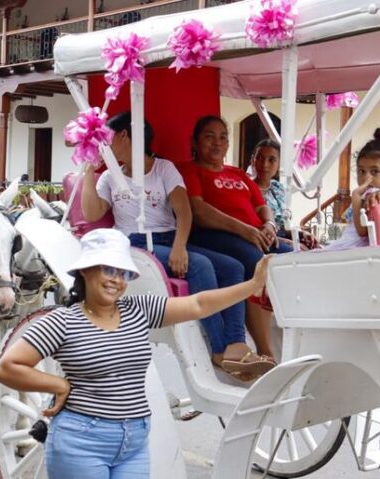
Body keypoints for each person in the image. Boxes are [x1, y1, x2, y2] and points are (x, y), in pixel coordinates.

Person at [0, 228, 271, 478]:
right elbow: (7, 367)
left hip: (133, 442)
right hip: (82, 441)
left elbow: (198, 304)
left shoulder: (139, 309)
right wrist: (59, 385)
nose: (116, 280)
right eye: (108, 270)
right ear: (86, 270)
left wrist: (251, 286)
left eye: (123, 273)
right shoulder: (63, 321)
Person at [81, 112, 273, 378]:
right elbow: (91, 213)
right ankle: (219, 349)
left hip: (171, 237)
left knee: (233, 267)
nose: (105, 145)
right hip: (137, 243)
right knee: (201, 265)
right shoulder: (109, 178)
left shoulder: (163, 169)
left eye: (108, 138)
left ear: (124, 136)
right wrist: (89, 171)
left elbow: (184, 212)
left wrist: (180, 246)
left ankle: (236, 343)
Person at [178, 116, 292, 361]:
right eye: (209, 137)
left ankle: (296, 337)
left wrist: (270, 225)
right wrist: (245, 230)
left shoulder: (237, 173)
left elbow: (261, 207)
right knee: (256, 261)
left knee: (293, 257)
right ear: (195, 142)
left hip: (254, 234)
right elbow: (199, 210)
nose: (217, 142)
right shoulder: (189, 170)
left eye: (223, 137)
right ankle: (265, 350)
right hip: (216, 235)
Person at [326, 128, 380, 250]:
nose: (366, 178)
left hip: (358, 247)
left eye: (374, 172)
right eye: (361, 171)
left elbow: (362, 231)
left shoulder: (373, 196)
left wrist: (356, 196)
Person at [249, 138, 318, 249]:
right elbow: (251, 229)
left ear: (279, 164)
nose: (265, 164)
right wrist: (288, 243)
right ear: (253, 160)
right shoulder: (246, 189)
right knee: (302, 253)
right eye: (260, 158)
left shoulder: (278, 188)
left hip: (282, 238)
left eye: (271, 160)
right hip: (262, 241)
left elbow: (283, 227)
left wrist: (302, 234)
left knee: (318, 249)